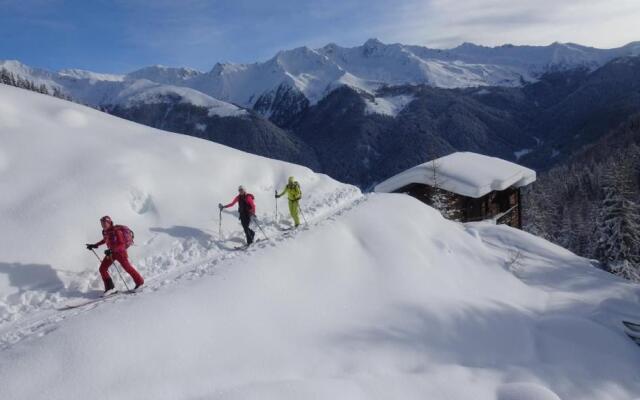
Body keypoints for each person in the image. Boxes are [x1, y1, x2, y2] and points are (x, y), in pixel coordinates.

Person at [86, 216, 144, 294]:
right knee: (102, 269)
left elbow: (121, 244)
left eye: (105, 223)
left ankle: (139, 283)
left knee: (128, 268)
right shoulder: (106, 232)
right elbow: (105, 240)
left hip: (121, 253)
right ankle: (110, 288)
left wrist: (111, 249)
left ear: (109, 223)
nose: (103, 225)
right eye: (102, 223)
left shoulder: (116, 231)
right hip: (111, 253)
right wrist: (95, 245)